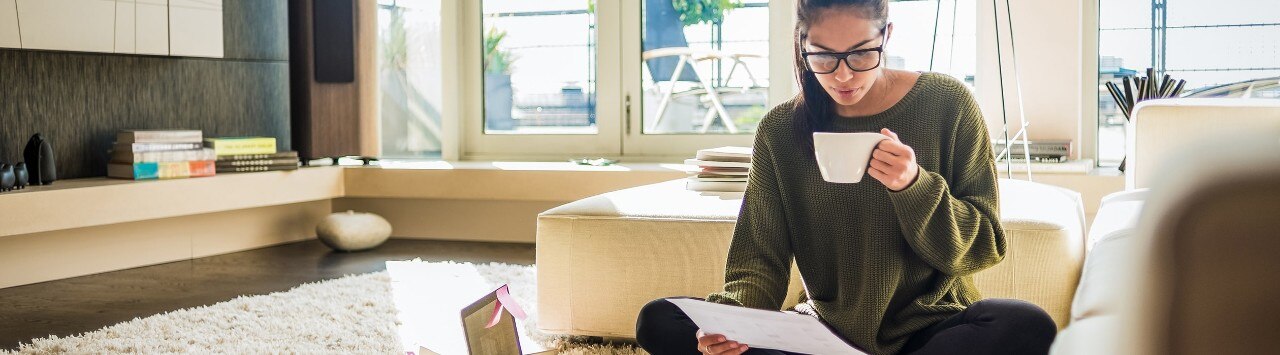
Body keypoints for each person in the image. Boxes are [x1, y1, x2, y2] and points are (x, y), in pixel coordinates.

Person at [634, 0, 1058, 354]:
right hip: (823, 334)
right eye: (823, 56)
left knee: (1025, 324)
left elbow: (984, 247)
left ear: (886, 36)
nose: (842, 75)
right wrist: (732, 324)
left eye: (860, 54)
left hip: (929, 327)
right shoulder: (780, 130)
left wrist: (914, 186)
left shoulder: (948, 104)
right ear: (802, 45)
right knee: (661, 319)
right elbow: (759, 261)